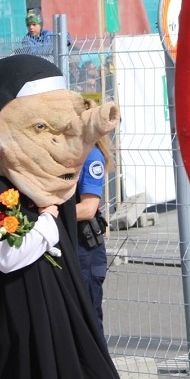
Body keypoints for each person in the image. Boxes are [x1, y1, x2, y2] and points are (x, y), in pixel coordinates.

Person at [0, 55, 125, 379]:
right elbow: (5, 257)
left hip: (44, 307)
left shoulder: (26, 189)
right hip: (17, 310)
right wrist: (47, 220)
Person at [75, 132, 111, 331]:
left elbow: (88, 209)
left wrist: (43, 215)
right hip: (73, 245)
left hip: (85, 248)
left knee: (88, 318)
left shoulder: (91, 156)